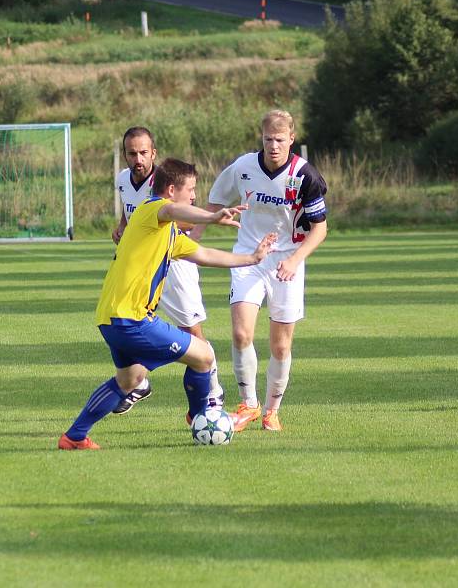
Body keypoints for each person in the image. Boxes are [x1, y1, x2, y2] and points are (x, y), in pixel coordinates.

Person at [58, 158, 276, 450]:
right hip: (131, 319)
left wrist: (252, 258)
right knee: (203, 356)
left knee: (129, 379)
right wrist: (210, 217)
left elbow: (205, 254)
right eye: (192, 189)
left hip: (111, 318)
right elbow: (172, 209)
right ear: (172, 189)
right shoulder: (152, 210)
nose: (195, 196)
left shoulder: (168, 233)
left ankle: (74, 437)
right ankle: (200, 418)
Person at [197, 109, 328, 432]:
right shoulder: (242, 168)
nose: (273, 146)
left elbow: (320, 229)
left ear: (291, 140)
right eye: (268, 139)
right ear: (262, 137)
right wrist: (191, 241)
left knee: (280, 346)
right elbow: (214, 204)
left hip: (287, 262)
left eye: (280, 140)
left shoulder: (304, 176)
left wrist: (295, 260)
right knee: (241, 333)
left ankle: (272, 410)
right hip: (248, 258)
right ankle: (248, 405)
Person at [111, 127, 224, 419]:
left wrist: (207, 221)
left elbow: (185, 214)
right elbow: (129, 210)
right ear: (125, 154)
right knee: (131, 322)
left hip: (174, 266)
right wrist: (123, 227)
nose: (138, 159)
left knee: (192, 331)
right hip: (140, 268)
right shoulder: (124, 180)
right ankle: (140, 382)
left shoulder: (165, 183)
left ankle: (213, 393)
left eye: (143, 153)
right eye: (132, 153)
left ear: (154, 153)